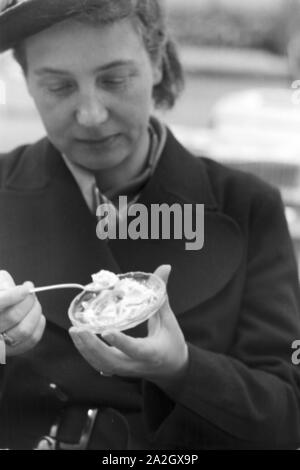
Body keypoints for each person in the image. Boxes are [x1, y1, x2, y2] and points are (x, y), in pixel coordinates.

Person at [0, 0, 300, 450]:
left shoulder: (248, 206)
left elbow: (285, 414)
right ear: (26, 80)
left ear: (158, 61)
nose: (91, 115)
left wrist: (181, 368)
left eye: (114, 80)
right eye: (59, 86)